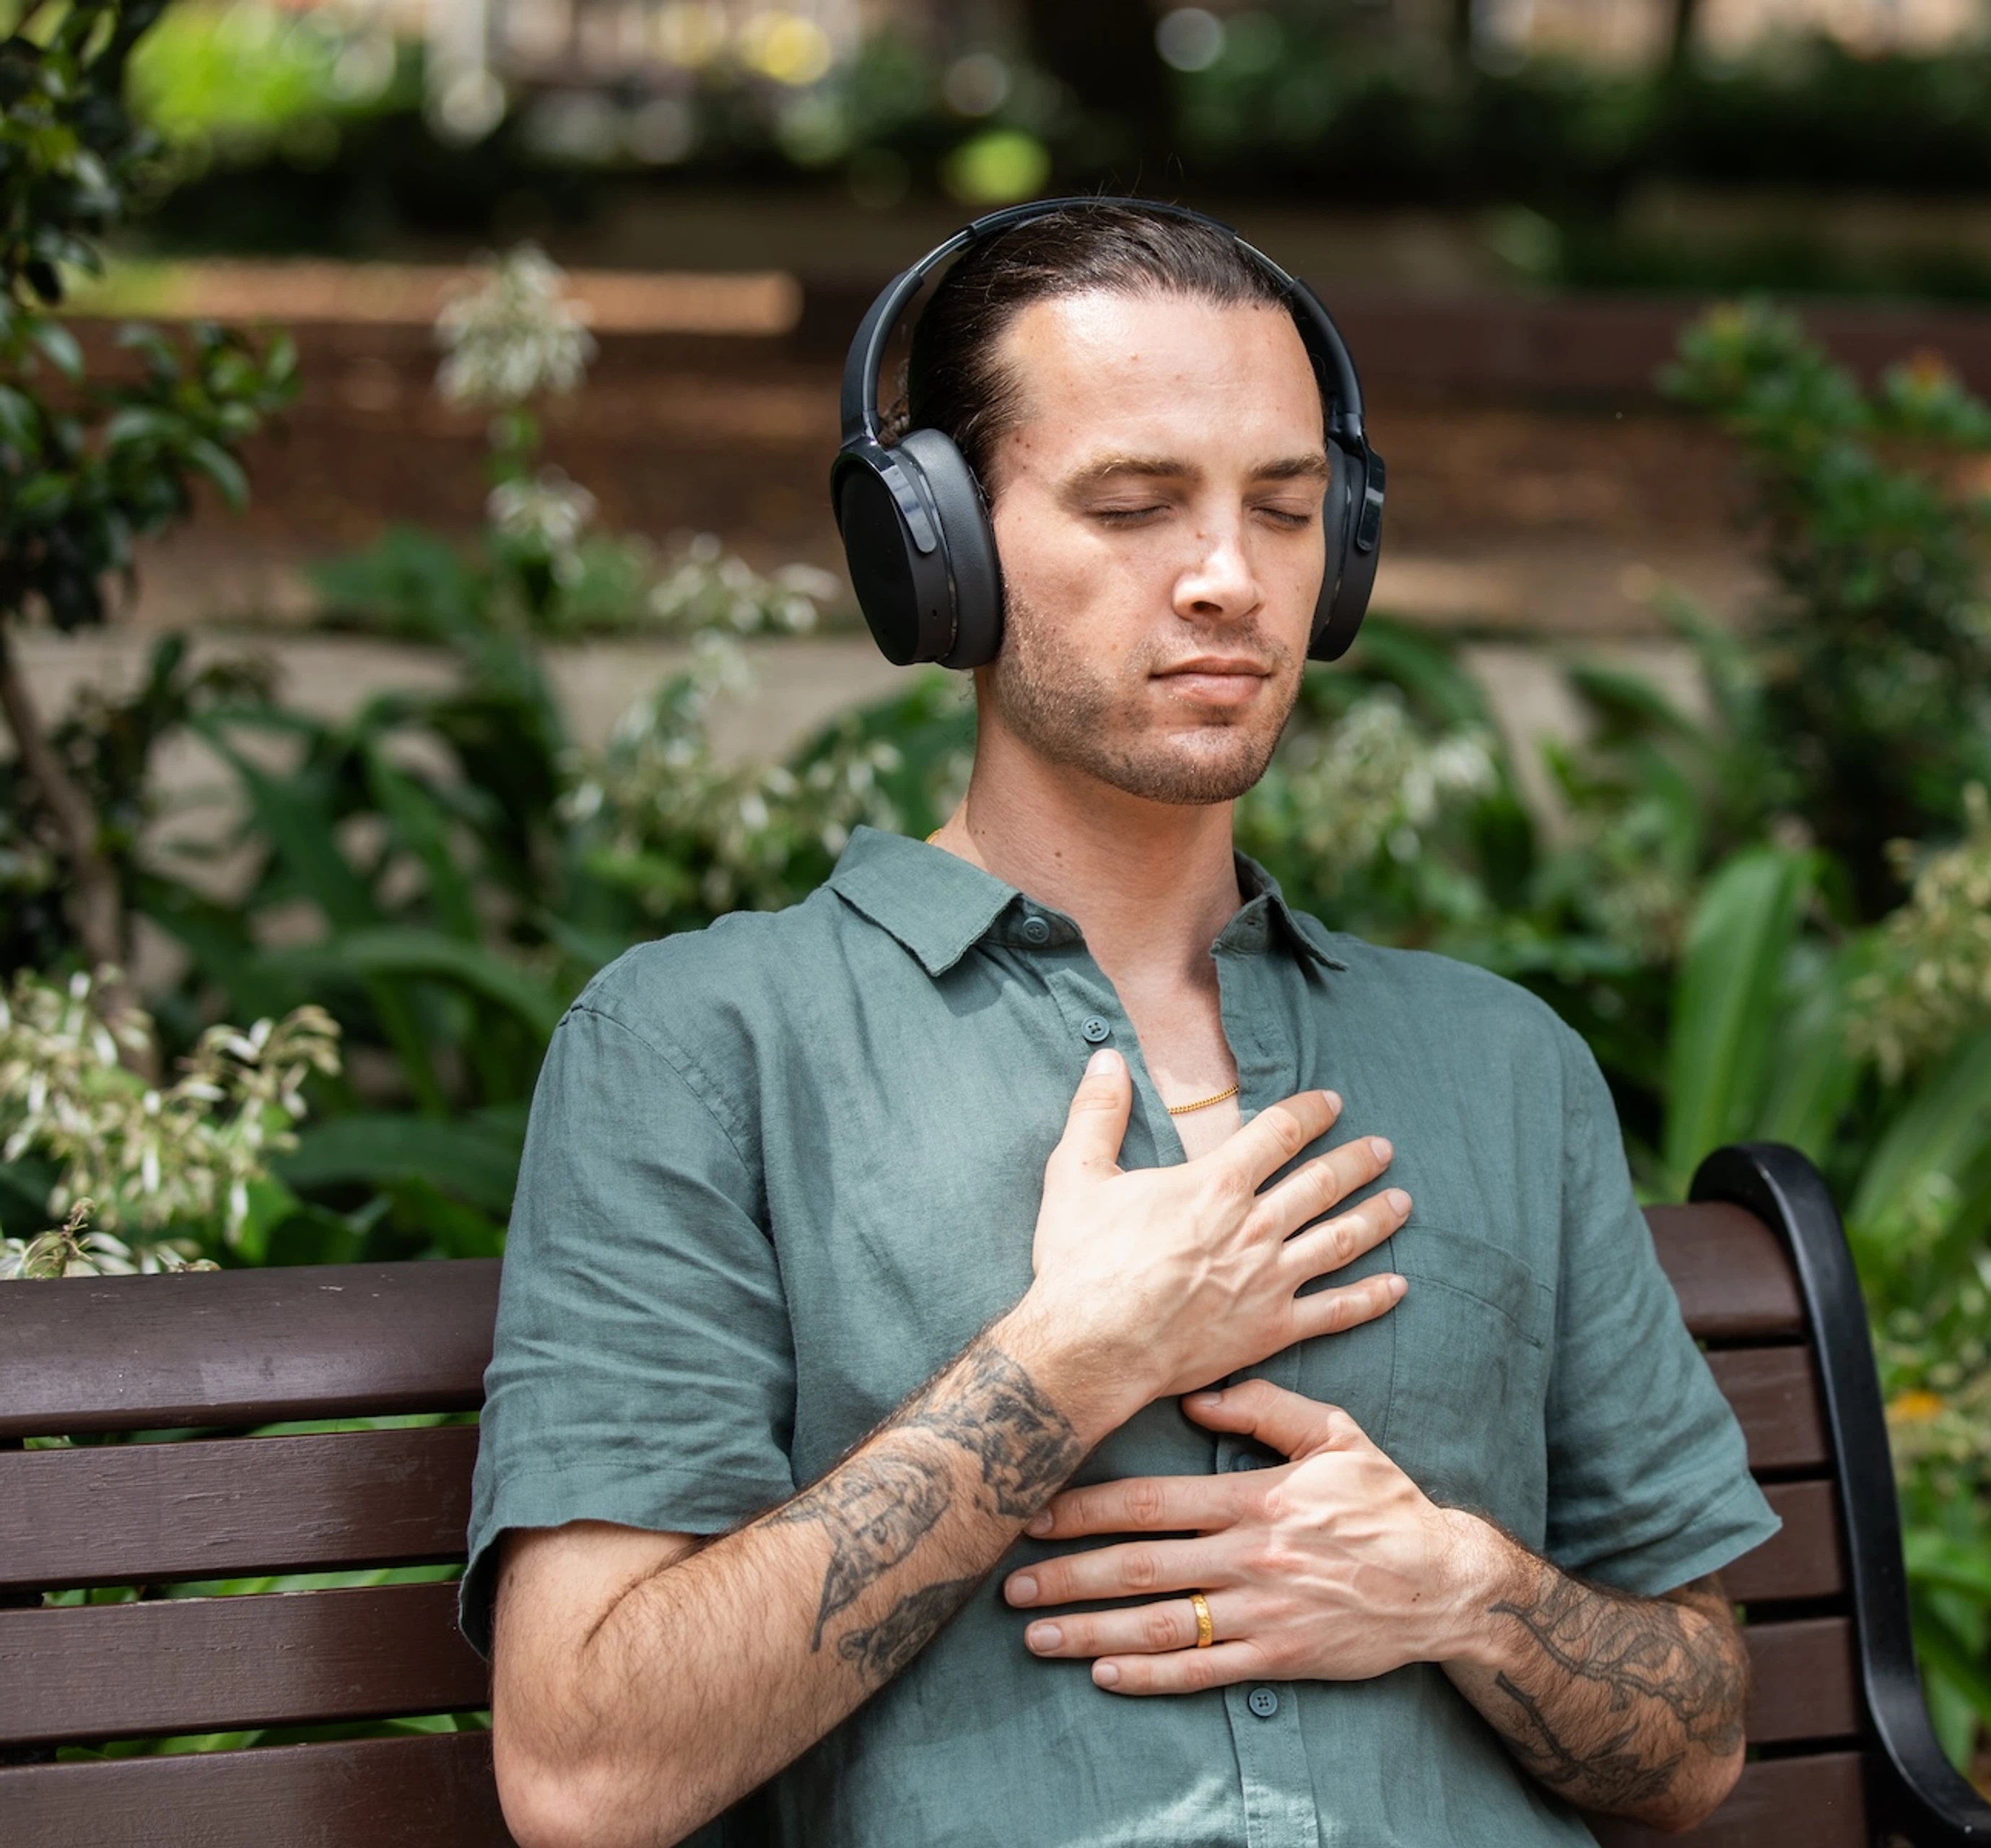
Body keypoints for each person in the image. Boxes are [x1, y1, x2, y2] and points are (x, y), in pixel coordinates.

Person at [466, 200, 1780, 1848]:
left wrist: (1467, 1592)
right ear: (932, 545)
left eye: (1287, 511)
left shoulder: (1507, 1064)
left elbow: (1700, 1739)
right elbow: (589, 1773)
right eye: (1134, 505)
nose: (1230, 578)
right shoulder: (699, 1044)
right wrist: (1075, 1357)